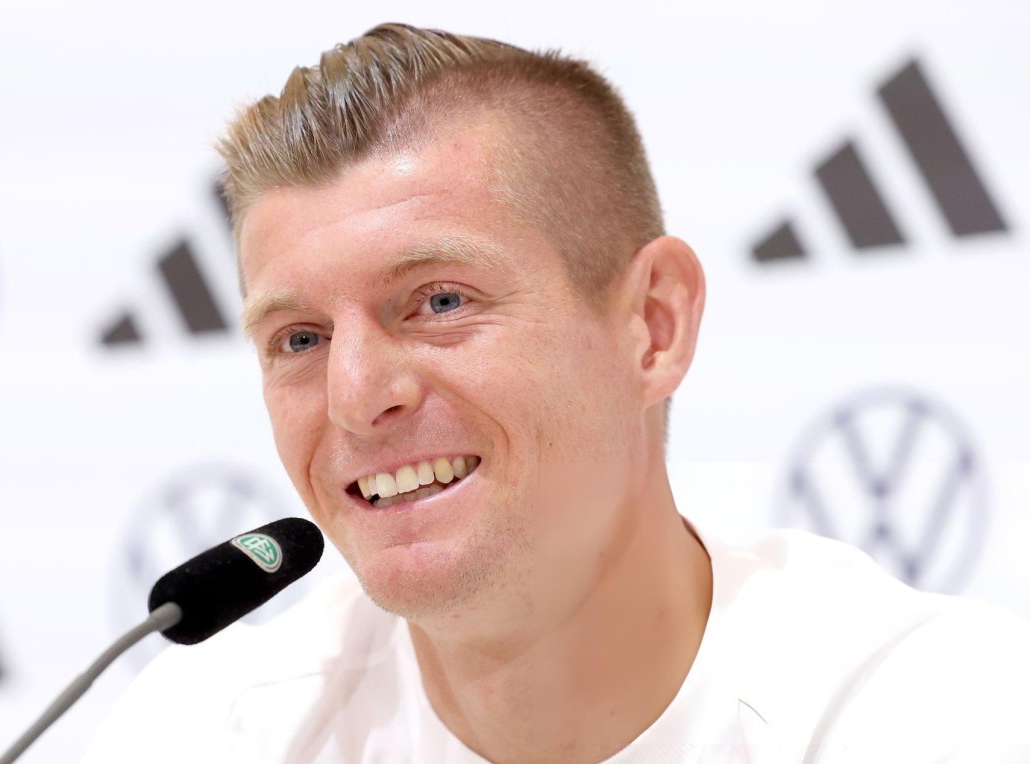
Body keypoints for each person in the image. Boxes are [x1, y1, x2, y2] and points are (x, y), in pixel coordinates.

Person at [84, 23, 1030, 763]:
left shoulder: (944, 721)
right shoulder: (201, 739)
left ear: (652, 325)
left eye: (439, 301)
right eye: (300, 339)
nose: (355, 398)